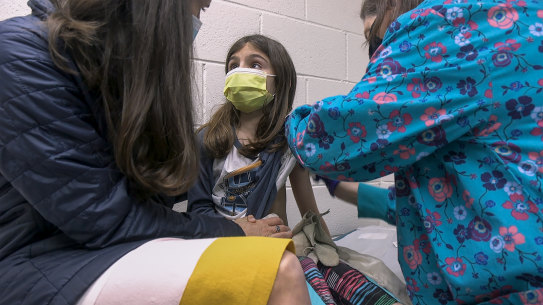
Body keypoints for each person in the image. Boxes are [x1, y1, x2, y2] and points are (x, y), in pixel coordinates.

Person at [0, 0, 311, 304]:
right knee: (276, 271)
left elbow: (150, 197)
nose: (195, 25)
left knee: (281, 258)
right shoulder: (22, 55)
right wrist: (235, 230)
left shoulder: (123, 82)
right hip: (43, 260)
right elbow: (107, 218)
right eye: (199, 8)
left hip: (106, 244)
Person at [286, 0, 543, 303]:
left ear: (392, 6)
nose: (379, 49)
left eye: (375, 36)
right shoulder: (526, 19)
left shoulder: (440, 25)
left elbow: (326, 141)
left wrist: (288, 125)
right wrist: (338, 187)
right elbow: (443, 198)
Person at [188, 34, 329, 235]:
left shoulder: (289, 142)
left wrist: (331, 250)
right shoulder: (207, 139)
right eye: (233, 66)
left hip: (274, 249)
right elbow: (197, 210)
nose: (241, 71)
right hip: (220, 243)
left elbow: (310, 212)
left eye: (255, 65)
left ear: (281, 81)